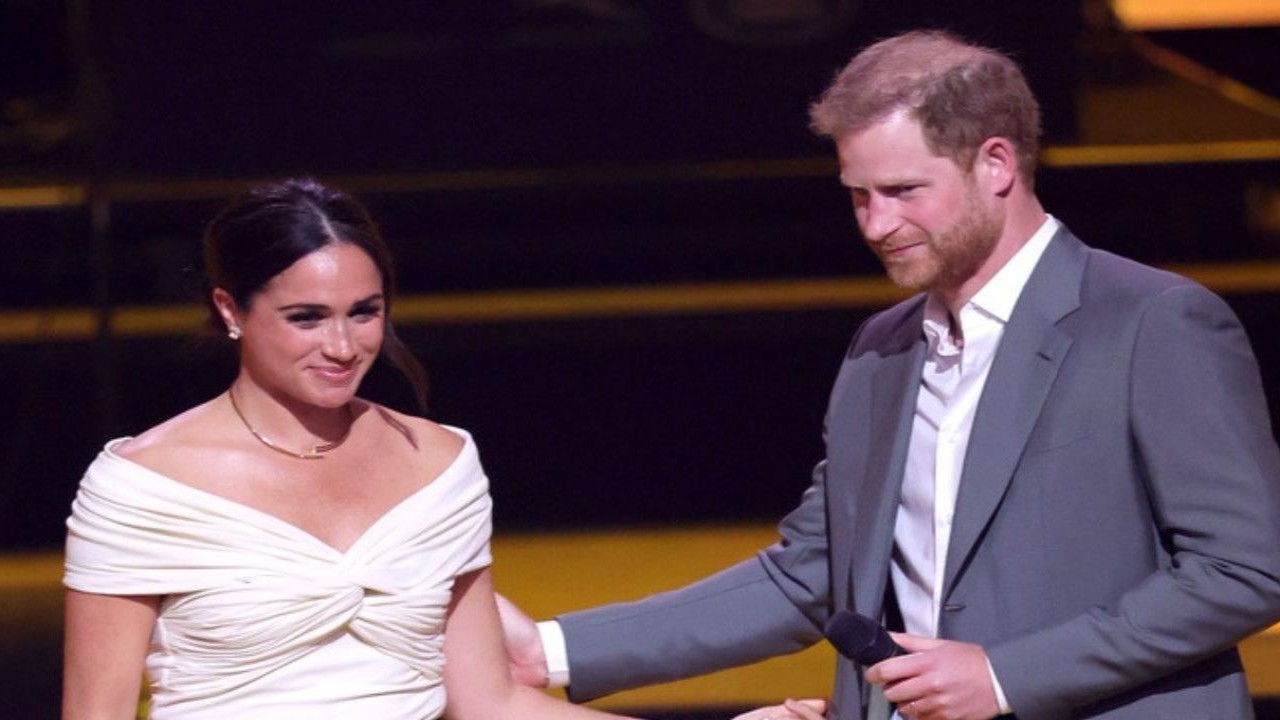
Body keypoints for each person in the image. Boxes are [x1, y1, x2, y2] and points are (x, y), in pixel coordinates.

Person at [498, 29, 1280, 720]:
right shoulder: (882, 349)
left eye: (904, 192)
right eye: (859, 197)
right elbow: (812, 575)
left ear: (996, 164)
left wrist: (1005, 677)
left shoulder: (1153, 322)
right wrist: (551, 650)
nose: (876, 225)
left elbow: (1246, 569)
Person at [60, 178, 822, 720]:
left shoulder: (438, 462)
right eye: (305, 317)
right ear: (231, 309)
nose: (343, 344)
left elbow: (488, 701)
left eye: (365, 313)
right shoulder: (144, 484)